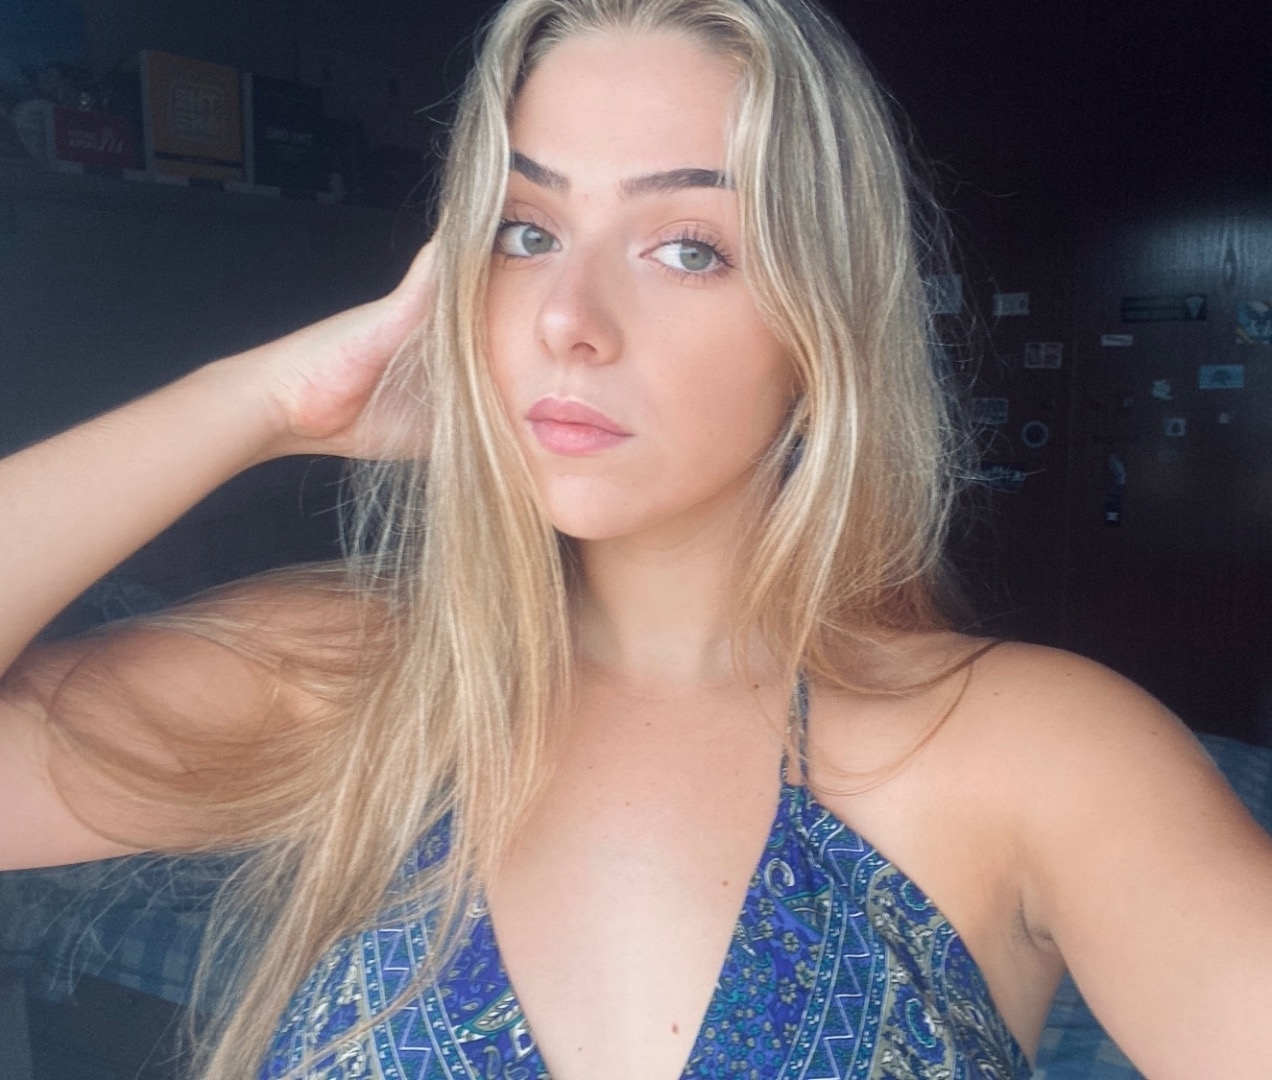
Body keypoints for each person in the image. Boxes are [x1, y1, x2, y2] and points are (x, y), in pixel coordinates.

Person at [2, 0, 1271, 1076]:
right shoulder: (350, 677)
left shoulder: (1039, 756)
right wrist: (260, 404)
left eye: (687, 248)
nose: (569, 317)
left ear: (821, 325)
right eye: (526, 232)